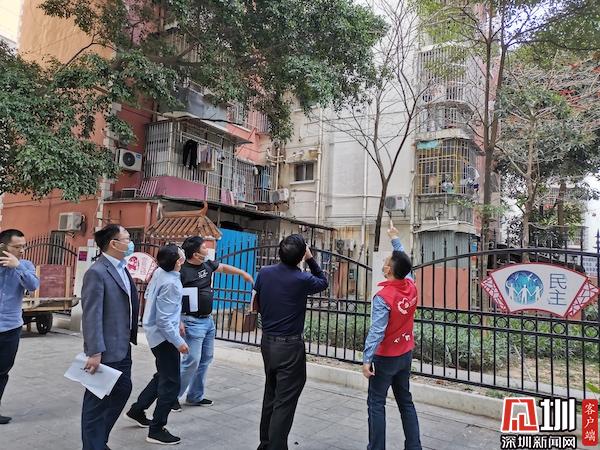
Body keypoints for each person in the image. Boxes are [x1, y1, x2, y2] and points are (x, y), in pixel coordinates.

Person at [254, 234, 329, 450]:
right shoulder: (302, 279)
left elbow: (257, 299)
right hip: (289, 347)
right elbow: (323, 282)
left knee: (271, 393)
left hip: (268, 342)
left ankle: (265, 443)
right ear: (301, 255)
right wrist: (311, 259)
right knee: (284, 401)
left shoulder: (264, 273)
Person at [174, 236, 254, 410]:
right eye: (204, 247)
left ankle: (195, 396)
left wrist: (242, 273)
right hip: (191, 322)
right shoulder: (182, 272)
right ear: (195, 254)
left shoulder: (207, 264)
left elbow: (223, 267)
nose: (207, 249)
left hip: (208, 321)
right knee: (192, 360)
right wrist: (178, 320)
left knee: (205, 359)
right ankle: (173, 397)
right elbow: (174, 298)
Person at [362, 224, 422, 450]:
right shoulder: (411, 285)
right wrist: (395, 238)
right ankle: (414, 446)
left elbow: (377, 331)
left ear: (388, 270)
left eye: (387, 260)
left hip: (385, 358)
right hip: (405, 354)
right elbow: (405, 263)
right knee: (406, 402)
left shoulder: (384, 297)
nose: (385, 262)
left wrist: (367, 359)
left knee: (376, 403)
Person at [81, 224, 139, 450]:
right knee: (96, 402)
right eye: (127, 238)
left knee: (122, 390)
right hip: (105, 350)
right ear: (114, 244)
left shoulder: (122, 268)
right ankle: (93, 445)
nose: (131, 242)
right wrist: (94, 351)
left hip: (123, 346)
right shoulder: (97, 272)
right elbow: (91, 315)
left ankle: (98, 440)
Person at [125, 244, 189, 445]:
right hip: (164, 338)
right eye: (180, 253)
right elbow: (163, 319)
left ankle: (137, 410)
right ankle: (157, 429)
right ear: (178, 261)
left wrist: (177, 321)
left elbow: (163, 308)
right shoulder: (171, 283)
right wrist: (178, 342)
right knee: (171, 383)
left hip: (156, 333)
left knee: (163, 375)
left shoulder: (161, 272)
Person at [0, 229, 39, 424]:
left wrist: (17, 267)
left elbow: (33, 286)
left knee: (2, 371)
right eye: (17, 247)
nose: (22, 250)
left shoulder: (25, 265)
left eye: (23, 246)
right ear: (3, 247)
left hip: (11, 328)